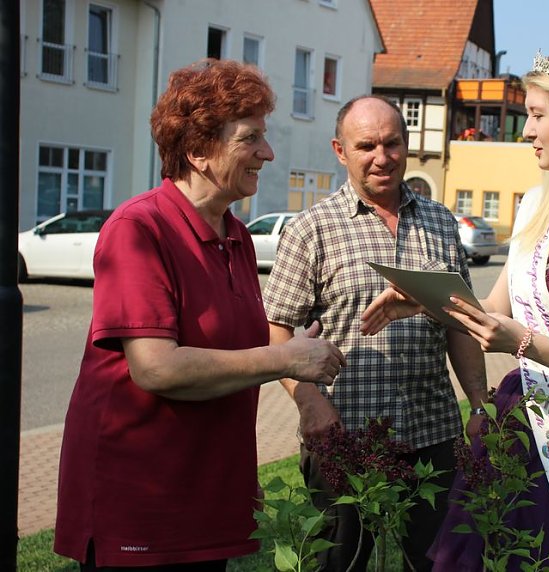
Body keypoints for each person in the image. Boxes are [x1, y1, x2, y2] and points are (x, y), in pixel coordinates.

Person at [361, 48, 549, 571]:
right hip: (522, 425)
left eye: (537, 115)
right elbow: (492, 310)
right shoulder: (536, 204)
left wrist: (524, 344)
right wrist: (424, 300)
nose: (526, 130)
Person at [53, 59, 346, 571]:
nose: (267, 153)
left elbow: (231, 355)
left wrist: (294, 361)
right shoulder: (138, 229)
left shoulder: (234, 236)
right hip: (142, 507)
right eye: (249, 138)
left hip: (205, 498)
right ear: (197, 151)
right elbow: (157, 368)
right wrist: (285, 359)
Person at [264, 94, 488, 571]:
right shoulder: (312, 229)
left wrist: (479, 402)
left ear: (407, 146)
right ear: (340, 150)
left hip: (433, 432)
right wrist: (308, 401)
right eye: (366, 145)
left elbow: (463, 322)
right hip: (344, 434)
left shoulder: (440, 222)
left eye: (392, 143)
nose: (381, 158)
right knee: (341, 563)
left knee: (434, 563)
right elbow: (277, 331)